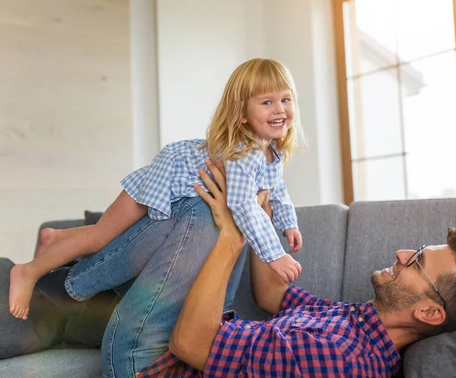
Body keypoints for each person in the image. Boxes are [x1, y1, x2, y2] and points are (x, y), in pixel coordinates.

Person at [135, 159, 456, 377]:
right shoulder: (357, 320)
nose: (402, 254)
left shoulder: (339, 359)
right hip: (174, 335)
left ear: (429, 312)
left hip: (150, 361)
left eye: (417, 261)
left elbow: (189, 345)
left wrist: (232, 237)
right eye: (415, 250)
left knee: (197, 218)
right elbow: (273, 295)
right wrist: (258, 217)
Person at [9, 58, 305, 321]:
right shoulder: (245, 153)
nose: (280, 109)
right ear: (241, 114)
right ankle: (28, 272)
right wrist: (273, 255)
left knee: (100, 234)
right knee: (99, 237)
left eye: (286, 99)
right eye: (267, 102)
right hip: (164, 179)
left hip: (176, 186)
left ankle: (56, 238)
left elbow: (277, 190)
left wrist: (287, 223)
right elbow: (243, 205)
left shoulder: (271, 152)